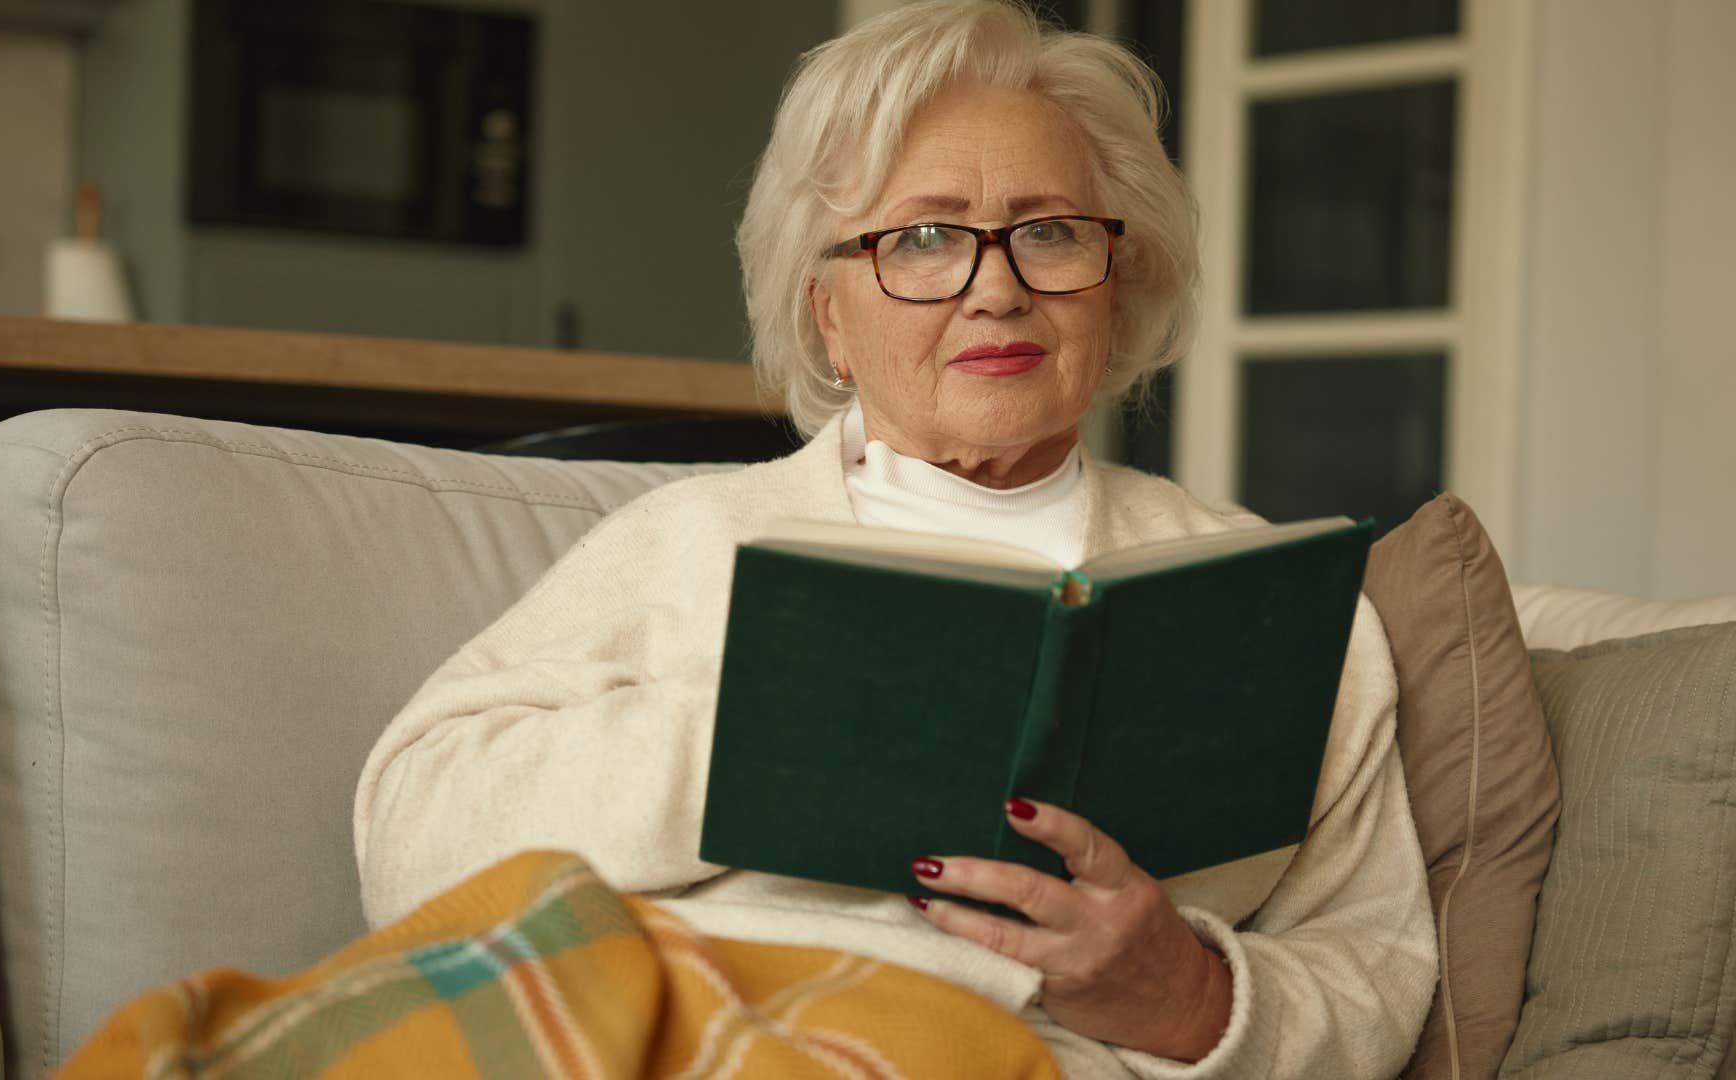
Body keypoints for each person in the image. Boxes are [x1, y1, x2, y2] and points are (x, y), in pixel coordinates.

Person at [354, 1, 1437, 1074]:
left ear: (1120, 279)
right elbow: (412, 838)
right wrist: (766, 734)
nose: (999, 290)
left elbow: (1380, 962)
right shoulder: (687, 545)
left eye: (1049, 231)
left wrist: (1187, 995)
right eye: (923, 240)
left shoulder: (1270, 599)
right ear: (829, 311)